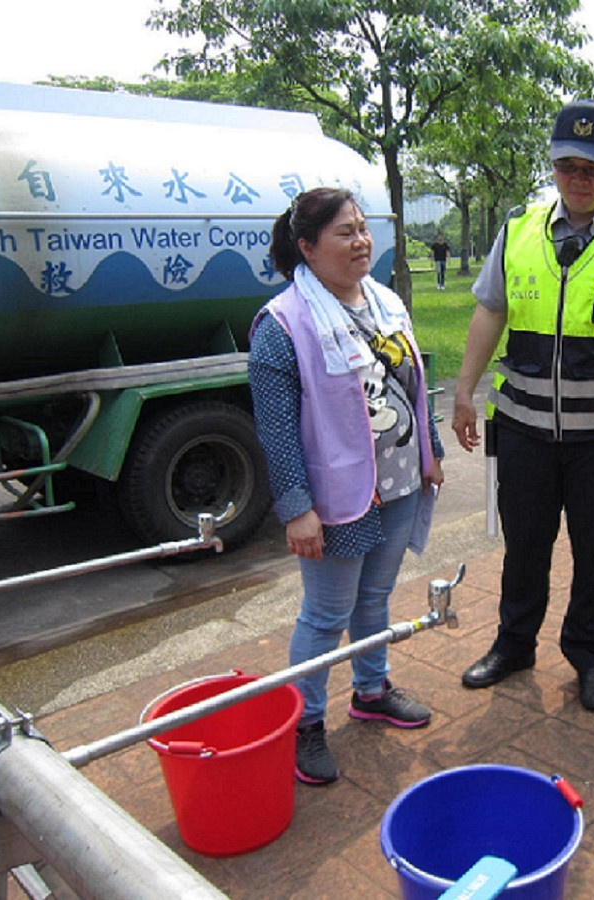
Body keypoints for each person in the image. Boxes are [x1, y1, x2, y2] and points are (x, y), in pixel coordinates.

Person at [452, 99, 594, 711]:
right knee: (523, 544)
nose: (579, 180)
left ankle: (589, 654)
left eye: (593, 168)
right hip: (524, 429)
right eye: (567, 166)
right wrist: (464, 390)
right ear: (553, 166)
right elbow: (491, 310)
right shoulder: (517, 231)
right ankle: (514, 644)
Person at [248, 187, 445, 785]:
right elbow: (276, 425)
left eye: (363, 229)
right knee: (326, 613)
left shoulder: (385, 301)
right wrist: (296, 508)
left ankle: (370, 689)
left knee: (375, 598)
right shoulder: (283, 323)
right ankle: (304, 722)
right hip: (339, 498)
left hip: (399, 480)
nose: (362, 241)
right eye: (345, 232)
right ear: (306, 247)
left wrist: (429, 449)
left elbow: (413, 379)